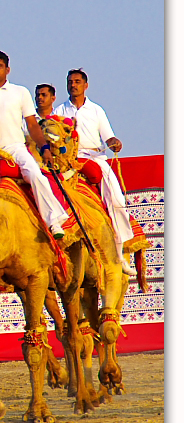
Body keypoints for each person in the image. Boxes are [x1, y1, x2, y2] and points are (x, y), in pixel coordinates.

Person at [0, 51, 69, 238]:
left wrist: (44, 148)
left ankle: (53, 221)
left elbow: (32, 125)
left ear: (7, 69)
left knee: (36, 175)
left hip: (15, 148)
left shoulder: (20, 92)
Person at [54, 69, 136, 275]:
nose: (73, 85)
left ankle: (119, 254)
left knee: (116, 200)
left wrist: (114, 143)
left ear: (85, 85)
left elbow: (108, 137)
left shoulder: (96, 110)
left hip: (94, 158)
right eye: (70, 82)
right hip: (67, 161)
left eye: (77, 81)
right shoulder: (59, 111)